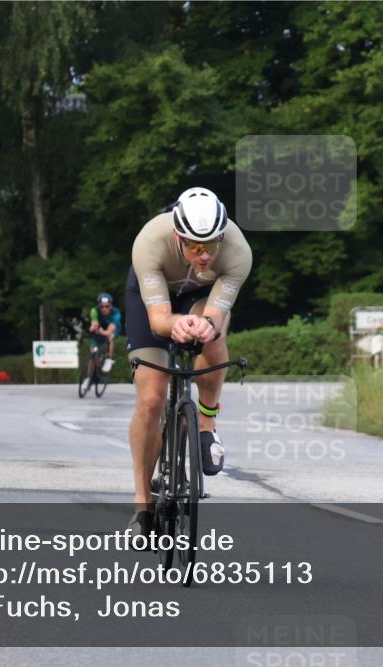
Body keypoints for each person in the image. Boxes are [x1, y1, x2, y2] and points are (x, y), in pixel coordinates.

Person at [126, 187, 252, 538]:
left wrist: (203, 325)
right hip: (154, 299)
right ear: (177, 236)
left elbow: (213, 315)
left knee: (213, 336)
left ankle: (206, 425)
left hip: (201, 298)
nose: (204, 255)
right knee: (151, 398)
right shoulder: (150, 241)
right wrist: (173, 324)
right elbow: (158, 321)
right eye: (195, 246)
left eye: (211, 245)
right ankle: (142, 507)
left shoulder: (238, 253)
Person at [89, 292, 122, 358]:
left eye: (107, 306)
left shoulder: (116, 313)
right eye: (102, 306)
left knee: (109, 338)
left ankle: (109, 357)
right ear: (99, 306)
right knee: (93, 351)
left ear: (110, 306)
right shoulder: (94, 311)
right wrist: (94, 328)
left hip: (113, 329)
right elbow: (93, 326)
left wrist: (101, 332)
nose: (104, 309)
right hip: (101, 327)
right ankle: (91, 365)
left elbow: (109, 331)